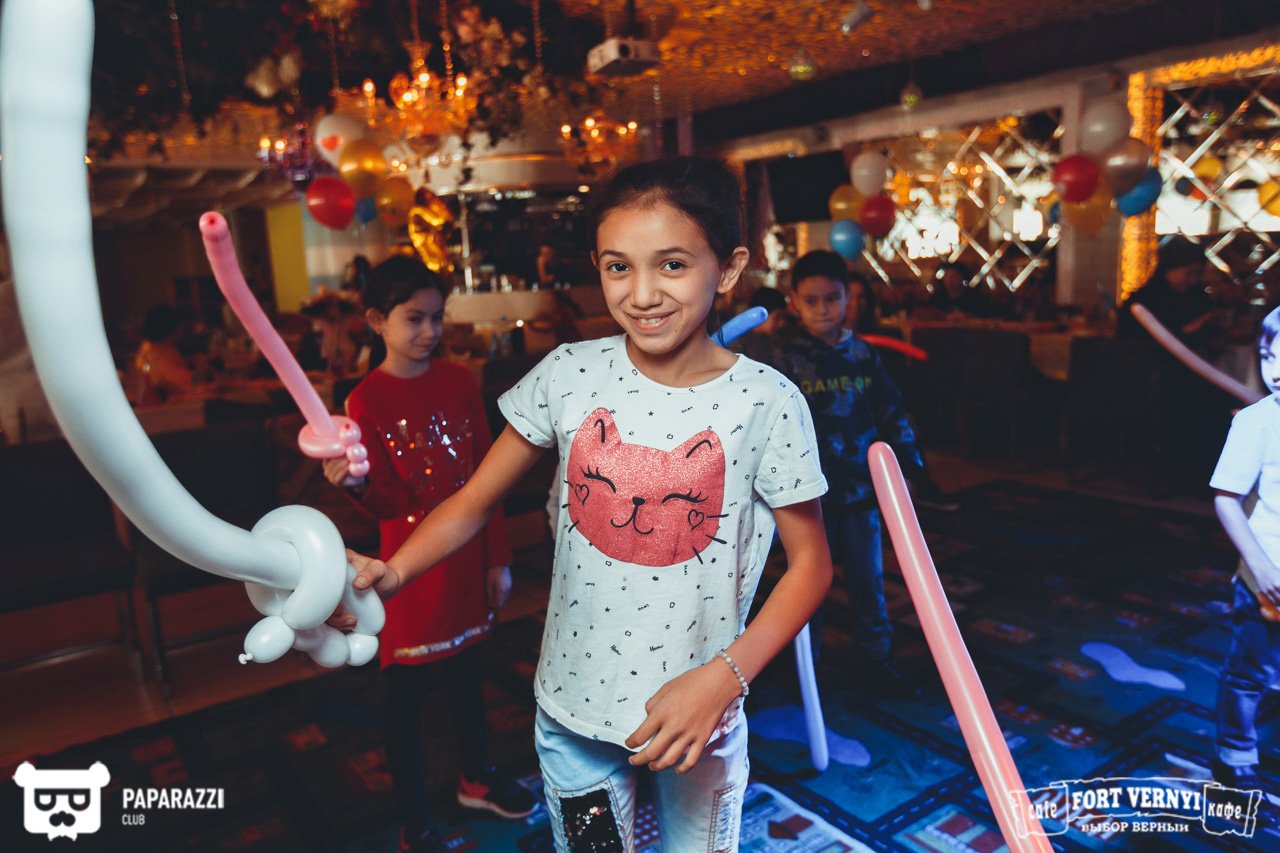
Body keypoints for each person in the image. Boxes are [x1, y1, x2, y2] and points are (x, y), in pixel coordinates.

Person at [334, 156, 832, 852]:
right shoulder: (569, 373)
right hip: (573, 714)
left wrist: (724, 680)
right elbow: (473, 499)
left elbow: (811, 566)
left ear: (728, 268)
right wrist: (394, 570)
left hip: (701, 716)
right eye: (618, 266)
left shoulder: (766, 401)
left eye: (673, 264)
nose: (643, 293)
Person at [322, 256, 534, 853]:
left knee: (470, 677)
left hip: (468, 558)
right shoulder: (365, 400)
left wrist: (498, 557)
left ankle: (475, 778)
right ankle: (415, 823)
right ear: (376, 320)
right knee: (405, 700)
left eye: (437, 317)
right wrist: (357, 484)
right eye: (414, 318)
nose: (430, 331)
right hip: (411, 567)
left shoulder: (461, 380)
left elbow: (487, 481)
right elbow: (389, 502)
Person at [760, 249, 930, 695]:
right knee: (805, 583)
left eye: (832, 299)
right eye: (811, 301)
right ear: (794, 301)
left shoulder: (862, 353)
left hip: (860, 493)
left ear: (847, 298)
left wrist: (910, 467)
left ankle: (879, 655)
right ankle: (806, 666)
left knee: (867, 580)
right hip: (806, 498)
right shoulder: (782, 356)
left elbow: (892, 409)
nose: (823, 310)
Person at [1209, 304, 1280, 790]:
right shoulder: (1256, 422)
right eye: (1268, 356)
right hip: (1264, 579)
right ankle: (1234, 754)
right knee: (1250, 670)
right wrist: (1261, 567)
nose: (1276, 371)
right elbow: (1226, 499)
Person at [1116, 236, 1213, 344]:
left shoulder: (1199, 298)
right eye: (1189, 273)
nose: (1193, 280)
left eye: (1198, 274)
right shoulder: (1144, 300)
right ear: (1168, 270)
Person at [125, 304, 195, 406]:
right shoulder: (156, 351)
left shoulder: (156, 347)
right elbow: (178, 380)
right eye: (180, 324)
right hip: (163, 404)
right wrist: (201, 372)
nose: (183, 328)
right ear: (170, 327)